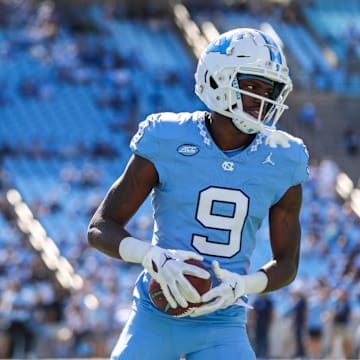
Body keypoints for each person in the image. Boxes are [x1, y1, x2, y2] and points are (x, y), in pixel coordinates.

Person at [88, 27, 309, 360]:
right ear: (217, 80)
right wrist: (152, 256)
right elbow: (100, 227)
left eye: (269, 89)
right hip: (155, 314)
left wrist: (243, 285)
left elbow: (287, 263)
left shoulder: (284, 157)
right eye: (250, 85)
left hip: (224, 322)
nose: (262, 99)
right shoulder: (167, 136)